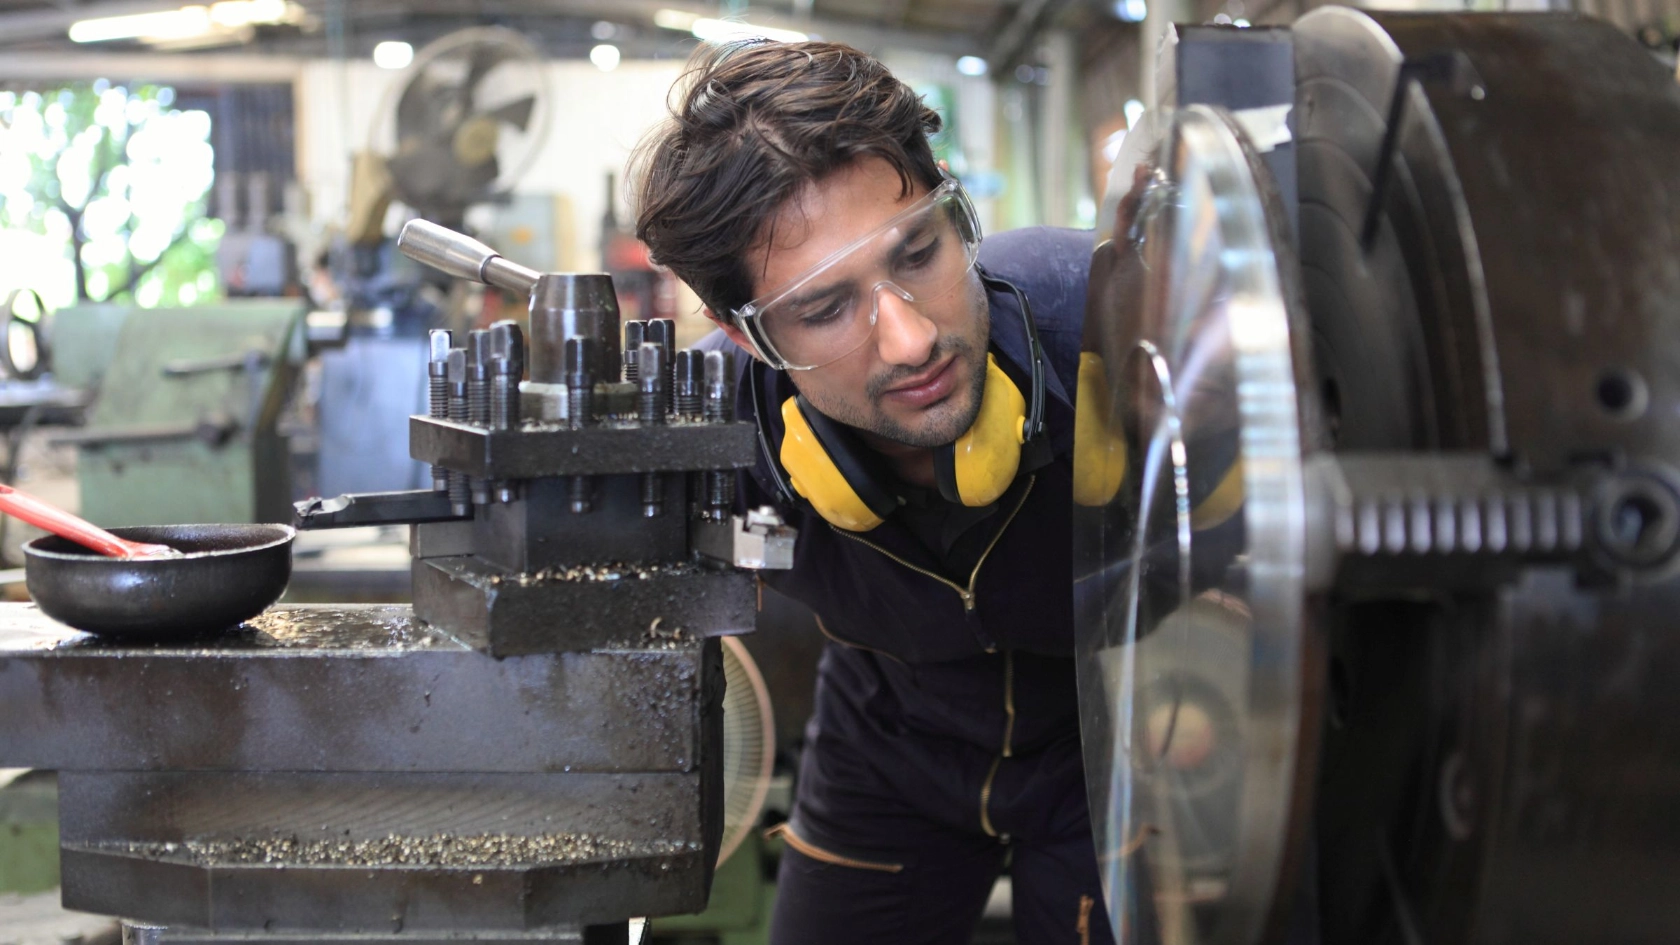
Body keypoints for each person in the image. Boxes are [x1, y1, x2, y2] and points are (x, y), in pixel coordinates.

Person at [633, 39, 1114, 945]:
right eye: (824, 307)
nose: (908, 338)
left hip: (1114, 746)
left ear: (954, 208)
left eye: (920, 252)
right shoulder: (708, 429)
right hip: (886, 748)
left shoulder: (1110, 326)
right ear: (748, 339)